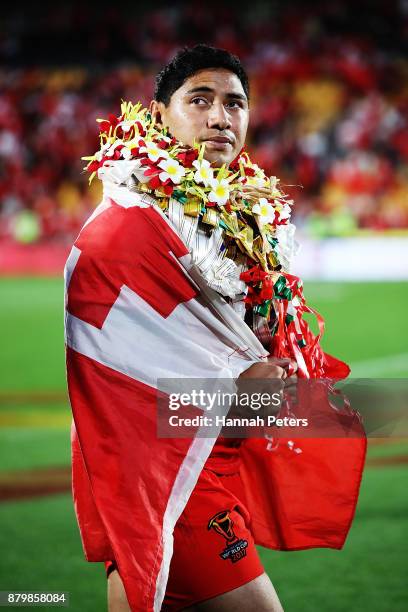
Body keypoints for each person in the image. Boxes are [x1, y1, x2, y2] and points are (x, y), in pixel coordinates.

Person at [65, 45, 366, 612]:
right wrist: (236, 392)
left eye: (235, 103)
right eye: (199, 100)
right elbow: (117, 386)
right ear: (158, 115)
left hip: (215, 458)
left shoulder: (242, 210)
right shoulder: (128, 229)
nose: (219, 117)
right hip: (166, 467)